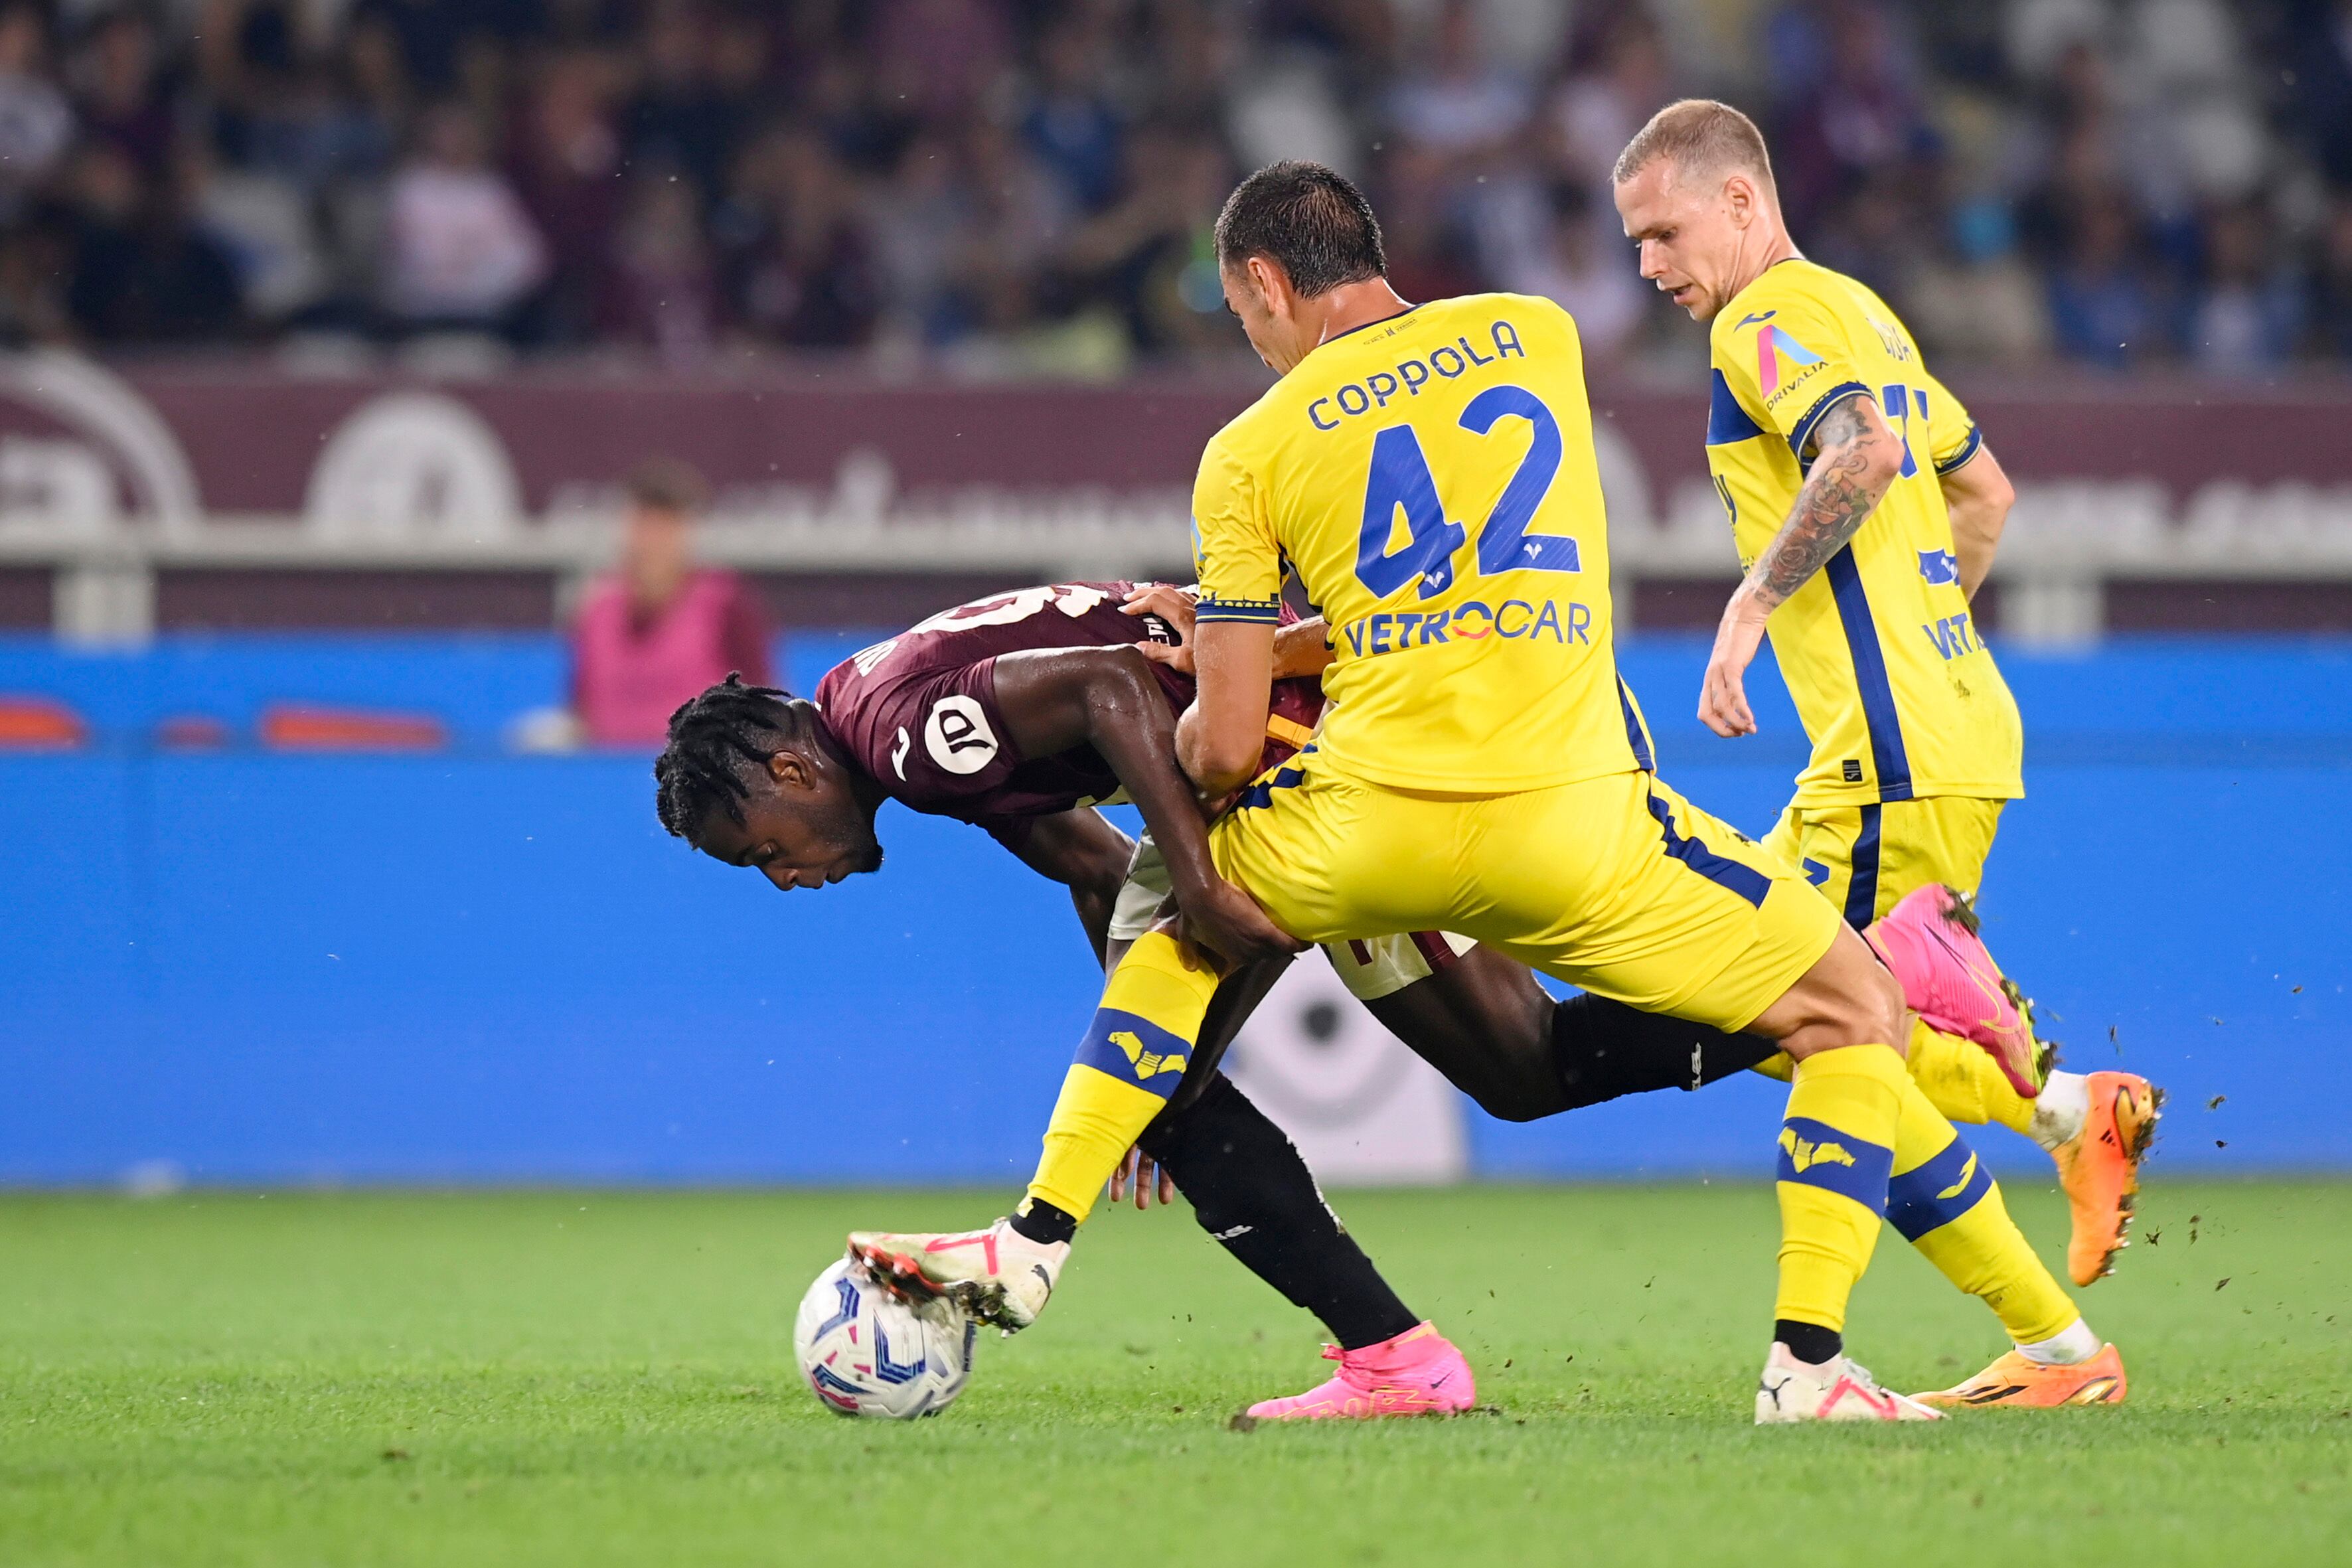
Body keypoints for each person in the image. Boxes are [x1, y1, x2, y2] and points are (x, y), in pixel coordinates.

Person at [846, 161, 2071, 1423]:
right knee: (1852, 1012)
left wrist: (1226, 657)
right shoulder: (1534, 334)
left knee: (1178, 905)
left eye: (1244, 317)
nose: (1256, 346)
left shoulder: (1247, 451)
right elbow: (1460, 565)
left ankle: (1034, 1235)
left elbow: (1214, 751)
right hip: (1576, 818)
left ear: (1266, 282)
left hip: (1371, 822)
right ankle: (1806, 1370)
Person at [653, 578, 2103, 1421]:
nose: (783, 879)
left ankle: (1386, 1352)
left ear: (784, 773)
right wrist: (1162, 1046)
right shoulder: (879, 703)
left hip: (1361, 763)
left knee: (1204, 1084)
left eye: (757, 854)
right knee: (1521, 1065)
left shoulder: (904, 729)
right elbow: (1091, 860)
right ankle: (1870, 991)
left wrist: (1210, 898)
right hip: (1337, 749)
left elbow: (1108, 685)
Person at [1612, 100, 2161, 1404]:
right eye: (1631, 241)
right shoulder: (1865, 312)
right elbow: (1983, 494)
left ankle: (1859, 1357)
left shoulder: (1767, 320)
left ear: (1742, 202)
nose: (1646, 265)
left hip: (1893, 756)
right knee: (1792, 1007)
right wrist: (1925, 638)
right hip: (1923, 732)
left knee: (1829, 1032)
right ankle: (2059, 1165)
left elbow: (1857, 452)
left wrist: (1752, 598)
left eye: (1663, 231)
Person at [572, 459, 771, 747]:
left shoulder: (725, 607)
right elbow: (583, 710)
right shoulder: (596, 610)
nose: (652, 543)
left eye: (665, 528)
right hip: (607, 781)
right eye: (643, 526)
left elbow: (764, 708)